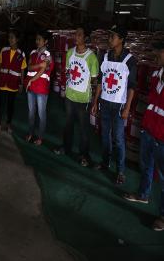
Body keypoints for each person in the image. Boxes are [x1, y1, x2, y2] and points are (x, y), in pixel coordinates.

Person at [123, 41, 164, 231]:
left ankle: (162, 217)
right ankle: (143, 194)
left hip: (162, 135)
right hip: (149, 129)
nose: (156, 56)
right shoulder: (156, 74)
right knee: (146, 165)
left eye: (159, 53)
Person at [91, 25, 137, 185]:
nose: (109, 39)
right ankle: (105, 163)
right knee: (105, 136)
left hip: (119, 107)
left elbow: (131, 87)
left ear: (121, 40)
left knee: (118, 139)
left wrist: (127, 108)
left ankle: (121, 171)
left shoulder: (130, 60)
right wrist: (95, 101)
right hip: (104, 102)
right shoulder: (105, 56)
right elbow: (100, 82)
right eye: (109, 36)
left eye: (113, 36)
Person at [54, 27, 99, 166]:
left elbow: (94, 80)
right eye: (75, 34)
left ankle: (84, 155)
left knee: (84, 129)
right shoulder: (70, 53)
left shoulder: (91, 57)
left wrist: (93, 100)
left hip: (83, 100)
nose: (76, 36)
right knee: (68, 125)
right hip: (69, 96)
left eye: (79, 34)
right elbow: (67, 72)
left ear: (85, 37)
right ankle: (66, 148)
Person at [24, 30, 54, 146]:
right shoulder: (32, 52)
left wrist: (31, 79)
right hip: (31, 88)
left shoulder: (48, 55)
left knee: (41, 114)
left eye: (39, 39)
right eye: (36, 39)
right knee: (31, 112)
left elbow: (43, 70)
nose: (37, 41)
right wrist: (39, 65)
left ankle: (40, 137)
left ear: (45, 41)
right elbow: (29, 67)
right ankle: (30, 133)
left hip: (41, 88)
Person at [0, 28, 26, 135]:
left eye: (12, 37)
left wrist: (21, 84)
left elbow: (22, 70)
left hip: (13, 84)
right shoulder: (4, 50)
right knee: (1, 105)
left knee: (10, 106)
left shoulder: (21, 54)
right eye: (9, 37)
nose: (10, 39)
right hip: (2, 82)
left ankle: (8, 125)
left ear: (17, 39)